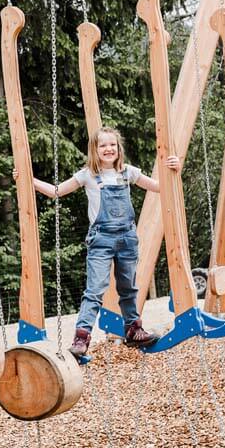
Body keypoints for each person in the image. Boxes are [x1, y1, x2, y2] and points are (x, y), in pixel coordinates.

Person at [26, 127, 181, 356]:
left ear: (119, 149)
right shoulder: (87, 175)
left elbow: (159, 187)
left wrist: (175, 170)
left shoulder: (128, 172)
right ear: (95, 151)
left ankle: (133, 330)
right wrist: (30, 180)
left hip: (127, 237)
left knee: (128, 287)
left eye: (113, 145)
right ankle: (81, 337)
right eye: (103, 146)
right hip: (101, 239)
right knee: (95, 289)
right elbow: (57, 191)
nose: (109, 149)